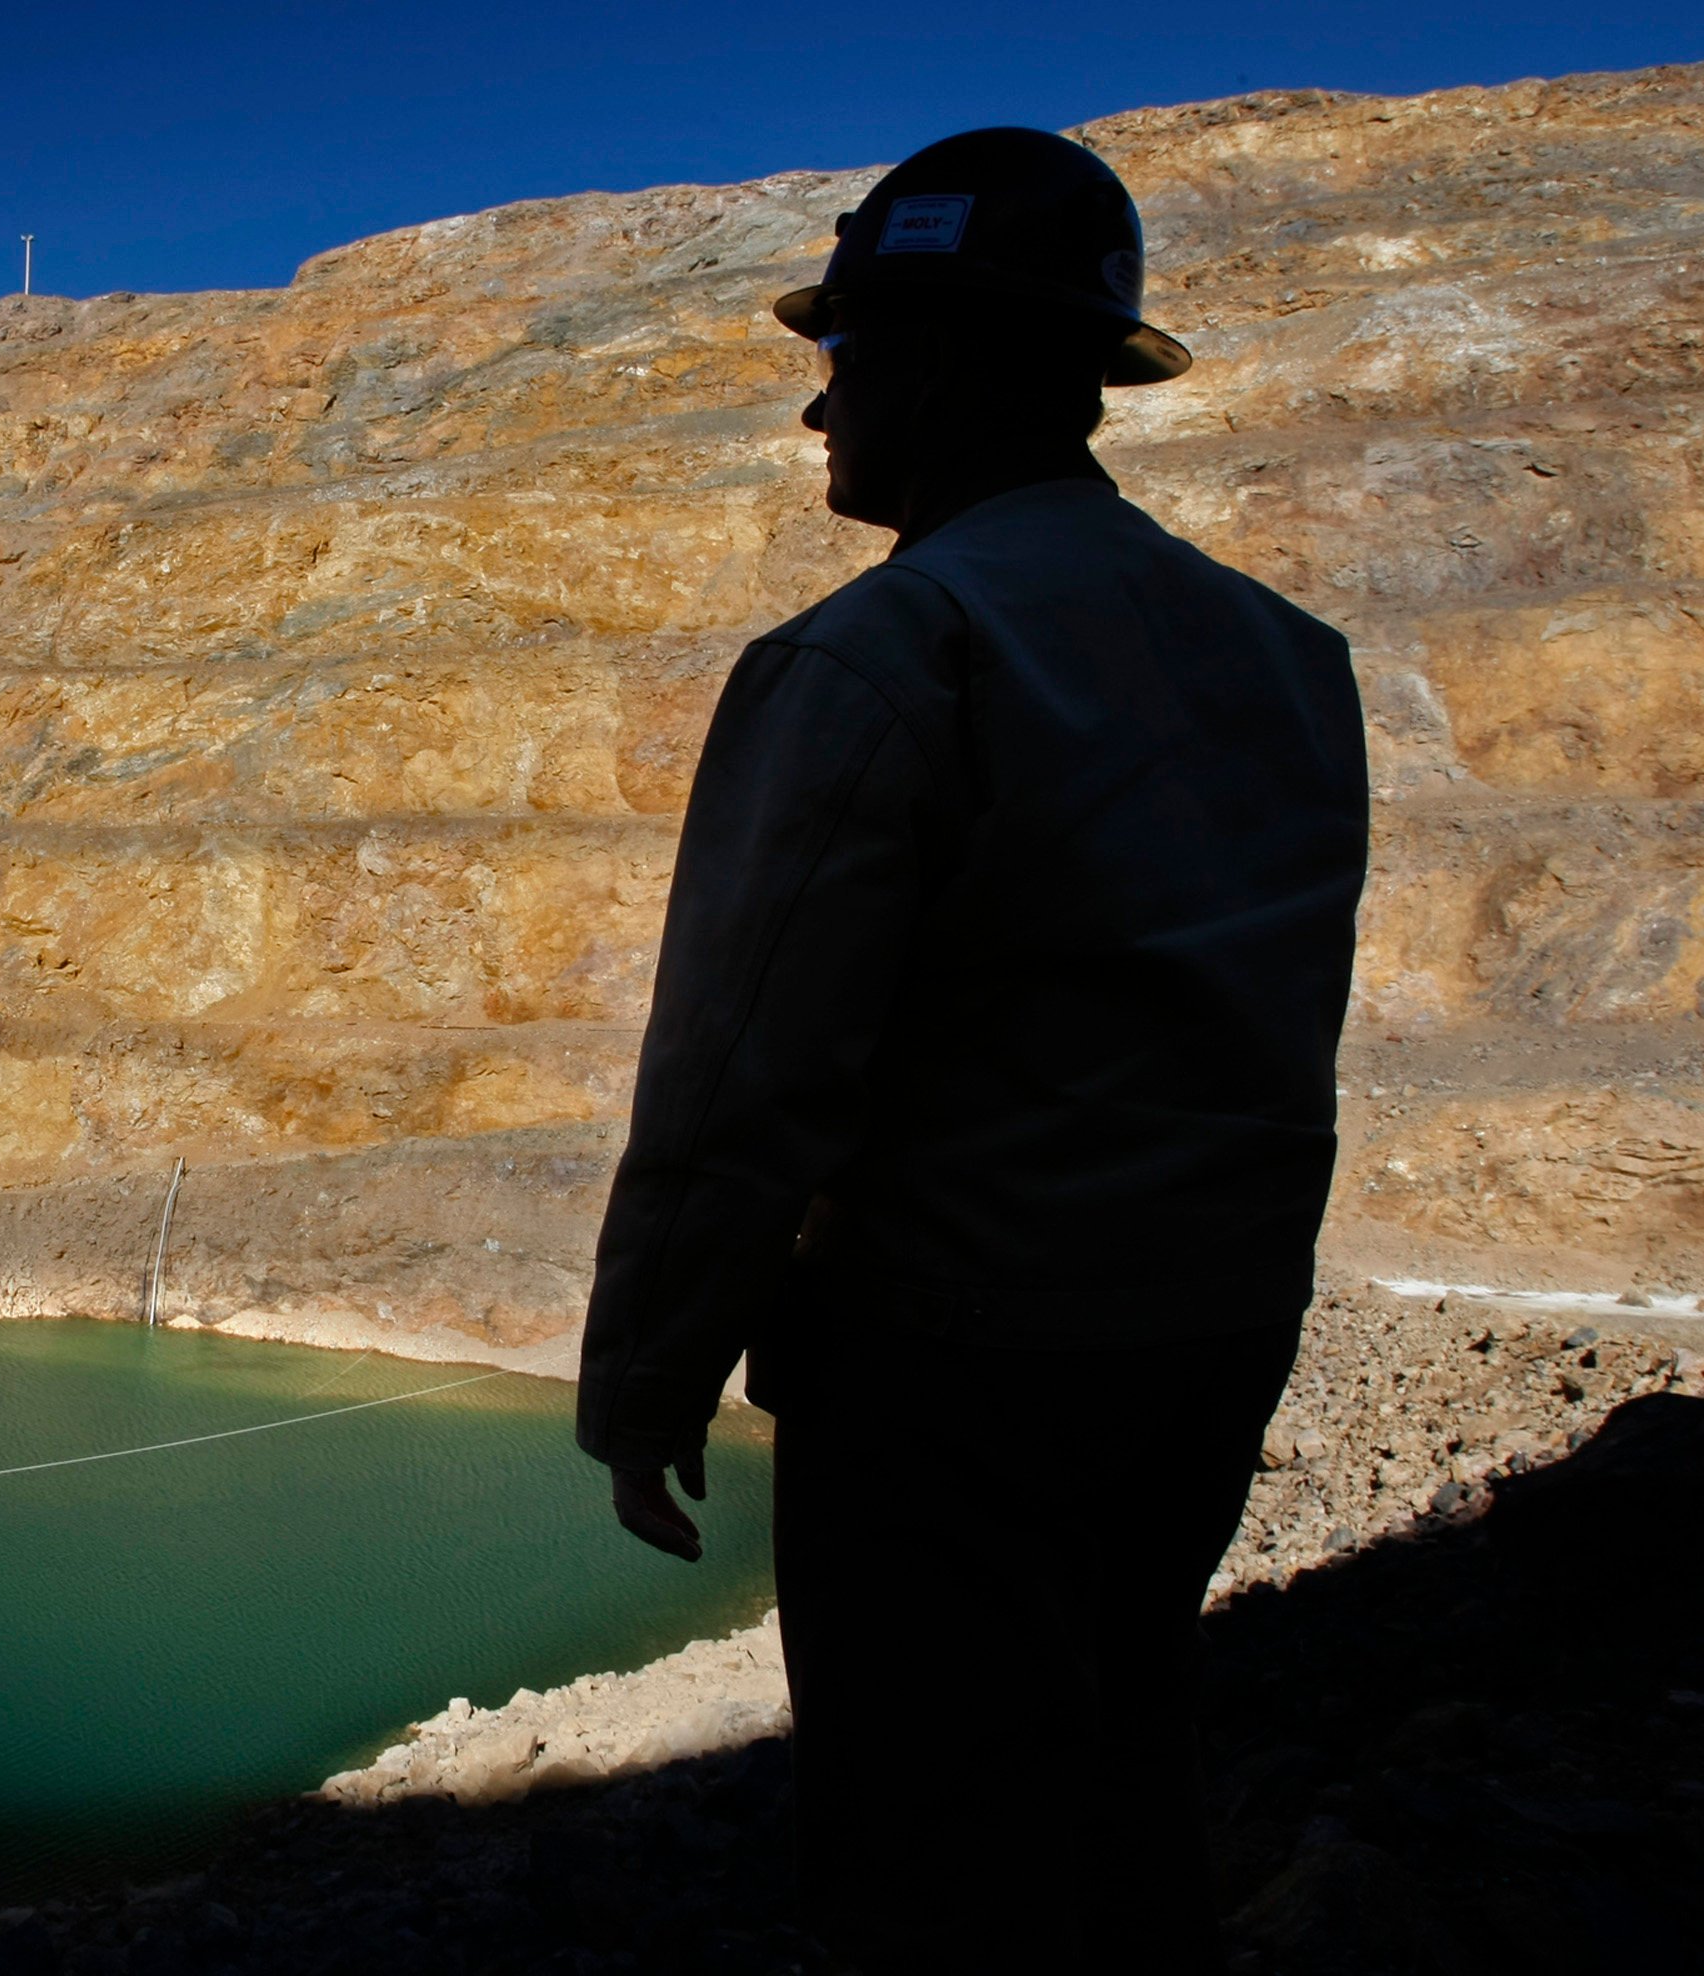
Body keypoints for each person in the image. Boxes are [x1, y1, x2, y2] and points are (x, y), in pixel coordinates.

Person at [573, 129, 1369, 1971]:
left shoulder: (885, 651)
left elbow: (744, 1074)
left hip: (952, 1371)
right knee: (1124, 1750)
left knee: (933, 1835)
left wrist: (646, 1377)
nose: (818, 415)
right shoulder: (1285, 655)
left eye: (841, 362)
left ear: (936, 361)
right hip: (1208, 1340)